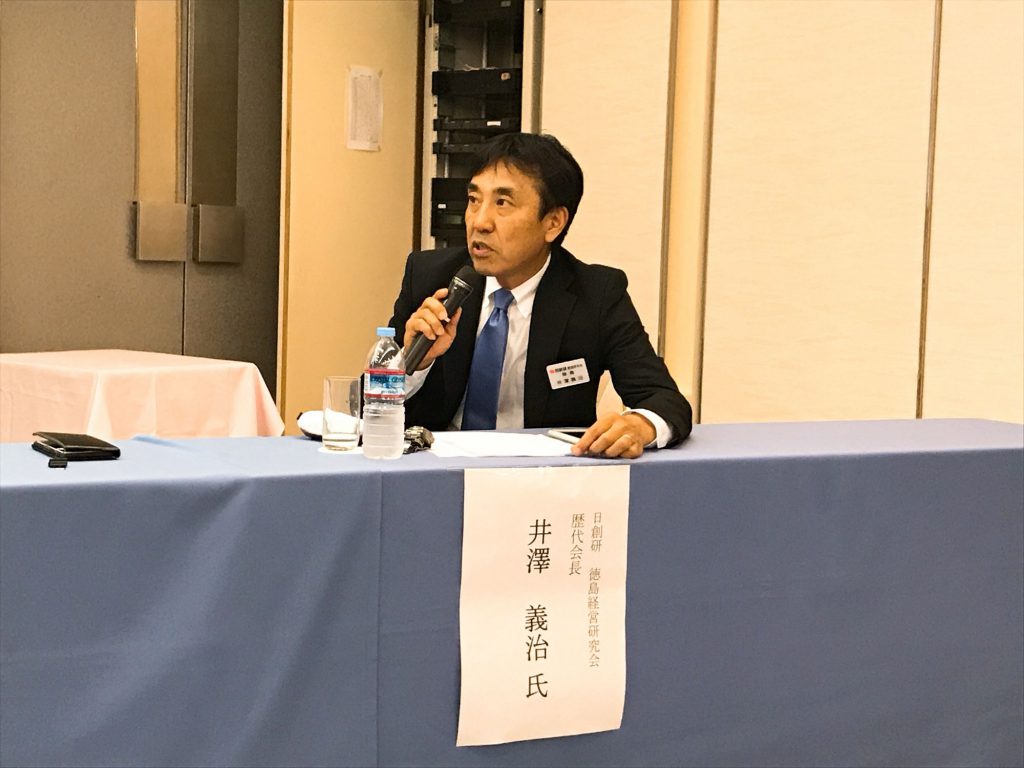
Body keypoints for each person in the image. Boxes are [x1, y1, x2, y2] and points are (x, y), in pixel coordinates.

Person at [389, 132, 691, 458]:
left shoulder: (596, 293)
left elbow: (665, 401)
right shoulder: (431, 277)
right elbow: (367, 407)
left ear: (553, 223)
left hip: (545, 477)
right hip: (436, 471)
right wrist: (413, 362)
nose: (480, 221)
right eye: (474, 200)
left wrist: (638, 425)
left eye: (502, 203)